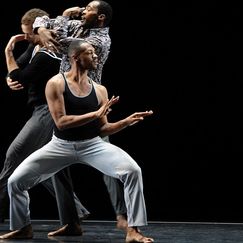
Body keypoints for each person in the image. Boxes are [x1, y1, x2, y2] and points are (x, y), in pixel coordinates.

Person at [0, 39, 154, 243]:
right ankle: (22, 227)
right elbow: (62, 122)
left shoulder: (100, 90)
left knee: (132, 171)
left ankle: (134, 231)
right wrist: (95, 113)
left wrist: (126, 122)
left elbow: (103, 129)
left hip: (92, 145)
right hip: (60, 146)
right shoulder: (56, 83)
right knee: (15, 182)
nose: (96, 56)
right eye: (90, 53)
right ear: (75, 57)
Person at [33, 1, 130, 233]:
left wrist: (61, 18)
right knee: (56, 165)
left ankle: (123, 216)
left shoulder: (99, 41)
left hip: (89, 100)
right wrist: (41, 29)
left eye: (89, 9)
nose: (83, 11)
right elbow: (42, 23)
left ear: (101, 18)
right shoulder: (80, 27)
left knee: (109, 163)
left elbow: (57, 44)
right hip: (66, 98)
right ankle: (71, 221)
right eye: (84, 8)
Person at [0, 8, 90, 224]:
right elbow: (17, 71)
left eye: (31, 33)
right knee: (52, 164)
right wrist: (8, 78)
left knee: (16, 153)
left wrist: (8, 53)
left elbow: (23, 76)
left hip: (47, 111)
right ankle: (75, 213)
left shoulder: (50, 52)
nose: (27, 37)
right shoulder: (35, 45)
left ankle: (1, 207)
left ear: (44, 29)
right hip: (41, 109)